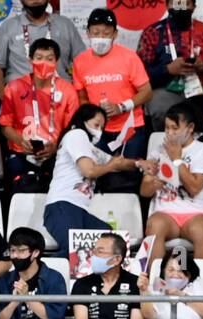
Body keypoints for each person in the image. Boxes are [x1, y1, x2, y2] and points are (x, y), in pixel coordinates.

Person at [44, 105, 151, 258]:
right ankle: (38, 276)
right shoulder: (76, 134)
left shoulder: (90, 148)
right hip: (62, 206)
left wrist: (139, 164)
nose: (99, 130)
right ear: (83, 120)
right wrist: (111, 165)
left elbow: (117, 163)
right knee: (75, 253)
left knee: (111, 242)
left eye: (102, 127)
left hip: (79, 210)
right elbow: (89, 171)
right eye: (96, 124)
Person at [72, 9, 153, 190]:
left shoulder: (129, 57)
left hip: (130, 128)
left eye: (106, 33)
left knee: (130, 175)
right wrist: (92, 116)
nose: (101, 37)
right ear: (87, 33)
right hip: (99, 131)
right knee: (99, 176)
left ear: (115, 34)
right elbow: (81, 95)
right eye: (96, 33)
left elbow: (147, 92)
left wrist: (121, 107)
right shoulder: (80, 61)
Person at [0, 38, 81, 188]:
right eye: (39, 58)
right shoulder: (14, 87)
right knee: (16, 176)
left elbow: (72, 129)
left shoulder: (68, 90)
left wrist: (56, 146)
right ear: (30, 60)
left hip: (56, 153)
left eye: (49, 59)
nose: (44, 63)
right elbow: (5, 126)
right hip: (21, 151)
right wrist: (20, 141)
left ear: (56, 61)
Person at [141, 103, 203, 265]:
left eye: (174, 128)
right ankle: (153, 284)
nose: (169, 133)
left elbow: (194, 188)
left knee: (200, 230)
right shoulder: (158, 150)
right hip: (165, 213)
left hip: (196, 213)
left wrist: (176, 159)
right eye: (166, 128)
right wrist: (153, 183)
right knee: (155, 226)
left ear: (190, 128)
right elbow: (144, 192)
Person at [137, 0, 203, 131]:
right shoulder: (152, 32)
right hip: (165, 88)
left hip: (200, 86)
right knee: (159, 106)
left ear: (194, 7)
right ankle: (165, 143)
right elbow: (140, 74)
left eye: (186, 4)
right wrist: (167, 70)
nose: (181, 8)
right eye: (176, 3)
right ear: (167, 5)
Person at [0, 0, 85, 100]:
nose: (36, 1)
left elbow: (83, 60)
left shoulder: (65, 24)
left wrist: (81, 96)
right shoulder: (9, 26)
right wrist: (3, 94)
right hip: (21, 97)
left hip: (60, 96)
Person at [0, 227, 69, 319]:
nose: (15, 255)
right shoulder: (3, 281)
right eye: (12, 250)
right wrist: (14, 302)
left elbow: (54, 318)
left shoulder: (54, 279)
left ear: (35, 252)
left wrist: (27, 298)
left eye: (21, 251)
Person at [72, 232, 143, 319]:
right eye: (93, 251)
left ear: (117, 259)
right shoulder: (82, 284)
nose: (93, 255)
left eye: (99, 251)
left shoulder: (135, 283)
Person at [139, 248, 203, 319]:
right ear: (163, 271)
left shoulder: (195, 286)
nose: (175, 274)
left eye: (180, 271)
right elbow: (150, 316)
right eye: (171, 270)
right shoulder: (153, 288)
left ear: (189, 274)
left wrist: (180, 294)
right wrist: (144, 291)